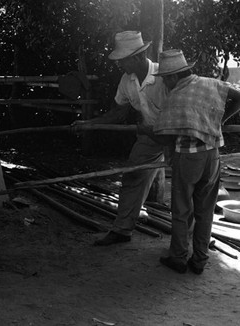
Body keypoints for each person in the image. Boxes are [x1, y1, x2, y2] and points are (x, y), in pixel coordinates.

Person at [139, 49, 240, 274]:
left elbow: (164, 136)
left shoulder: (175, 96)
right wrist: (219, 121)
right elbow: (238, 98)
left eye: (165, 78)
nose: (164, 83)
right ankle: (200, 260)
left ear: (173, 76)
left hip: (188, 156)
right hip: (213, 154)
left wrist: (145, 130)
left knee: (182, 208)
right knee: (205, 210)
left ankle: (178, 257)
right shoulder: (210, 83)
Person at [76, 31, 168, 245]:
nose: (119, 65)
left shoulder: (165, 74)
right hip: (150, 136)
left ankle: (194, 235)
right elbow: (117, 113)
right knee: (132, 177)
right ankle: (122, 230)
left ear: (136, 57)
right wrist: (88, 124)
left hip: (177, 134)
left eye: (122, 60)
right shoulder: (127, 81)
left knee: (186, 184)